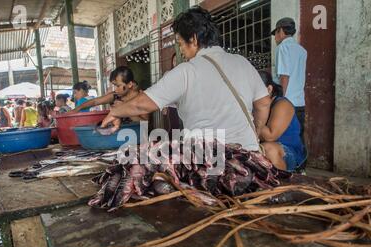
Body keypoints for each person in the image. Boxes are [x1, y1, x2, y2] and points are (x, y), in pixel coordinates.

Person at [101, 6, 271, 150]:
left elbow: (142, 104)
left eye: (180, 43)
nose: (181, 49)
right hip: (249, 156)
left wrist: (115, 111)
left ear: (194, 39)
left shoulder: (186, 71)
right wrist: (256, 130)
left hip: (210, 160)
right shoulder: (242, 63)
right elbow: (263, 103)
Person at [258, 71, 306, 172]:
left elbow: (270, 136)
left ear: (269, 89)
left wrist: (249, 115)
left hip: (288, 153)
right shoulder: (254, 105)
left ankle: (282, 182)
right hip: (262, 150)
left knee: (268, 149)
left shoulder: (282, 104)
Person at [71, 67, 149, 122]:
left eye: (118, 86)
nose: (115, 89)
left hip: (137, 139)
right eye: (115, 86)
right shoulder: (116, 96)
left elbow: (145, 123)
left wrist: (124, 108)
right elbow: (94, 102)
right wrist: (76, 109)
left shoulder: (142, 98)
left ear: (130, 84)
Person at [272, 17, 307, 137]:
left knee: (285, 139)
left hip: (287, 103)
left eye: (275, 33)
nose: (275, 38)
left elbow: (284, 76)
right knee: (298, 137)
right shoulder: (302, 50)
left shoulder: (283, 47)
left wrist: (281, 101)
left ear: (280, 31)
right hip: (300, 102)